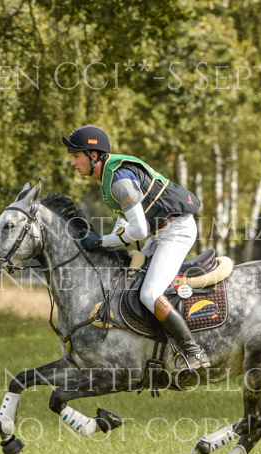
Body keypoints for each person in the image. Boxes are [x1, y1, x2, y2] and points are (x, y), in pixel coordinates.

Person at [62, 125, 211, 374]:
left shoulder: (119, 180)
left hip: (176, 231)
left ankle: (193, 350)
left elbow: (139, 231)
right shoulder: (109, 177)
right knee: (129, 284)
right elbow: (126, 224)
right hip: (161, 232)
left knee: (149, 294)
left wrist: (101, 241)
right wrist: (103, 243)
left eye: (76, 156)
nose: (73, 163)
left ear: (93, 155)